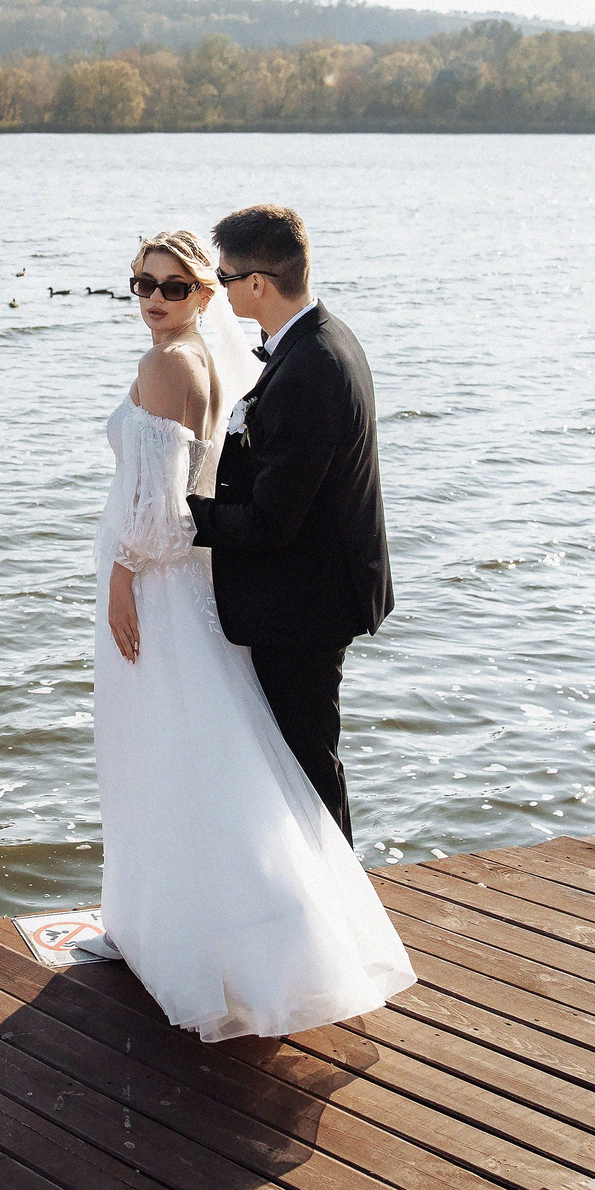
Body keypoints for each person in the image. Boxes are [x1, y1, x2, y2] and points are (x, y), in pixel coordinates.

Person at [92, 225, 413, 1042]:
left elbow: (173, 514)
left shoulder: (172, 365)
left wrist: (126, 571)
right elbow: (209, 482)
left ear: (214, 291)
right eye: (142, 284)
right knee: (235, 758)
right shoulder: (224, 362)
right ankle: (262, 922)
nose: (154, 300)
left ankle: (306, 933)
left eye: (178, 286)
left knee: (184, 755)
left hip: (178, 590)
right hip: (212, 591)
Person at [188, 204, 391, 841]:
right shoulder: (316, 340)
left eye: (223, 277)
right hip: (311, 590)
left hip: (305, 602)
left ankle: (336, 914)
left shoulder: (312, 368)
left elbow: (274, 521)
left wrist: (187, 516)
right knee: (302, 757)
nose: (217, 289)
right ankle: (319, 902)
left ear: (257, 284)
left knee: (304, 762)